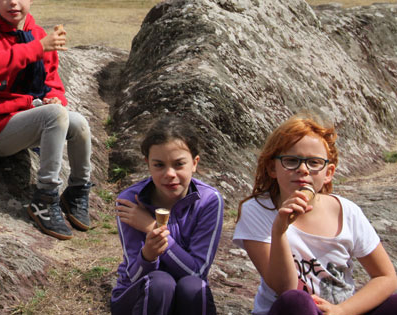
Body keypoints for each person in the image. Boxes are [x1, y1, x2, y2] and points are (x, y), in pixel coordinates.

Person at [0, 0, 93, 240]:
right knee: (54, 114)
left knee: (80, 123)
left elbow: (54, 84)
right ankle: (45, 199)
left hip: (27, 119)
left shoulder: (38, 34)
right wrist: (38, 47)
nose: (13, 2)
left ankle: (78, 190)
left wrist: (51, 98)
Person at [233, 115, 397, 315]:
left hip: (339, 310)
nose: (303, 170)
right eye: (291, 161)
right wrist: (279, 230)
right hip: (291, 310)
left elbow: (386, 277)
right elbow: (284, 288)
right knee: (296, 300)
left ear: (328, 172)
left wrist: (343, 310)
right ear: (272, 168)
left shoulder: (347, 211)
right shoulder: (257, 210)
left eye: (314, 163)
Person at [111, 116, 224, 315]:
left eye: (179, 164)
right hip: (139, 296)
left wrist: (153, 228)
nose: (169, 174)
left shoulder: (208, 200)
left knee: (193, 286)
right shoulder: (129, 201)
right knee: (161, 283)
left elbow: (197, 272)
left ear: (194, 163)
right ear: (148, 164)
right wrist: (148, 254)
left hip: (187, 295)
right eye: (159, 165)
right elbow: (133, 274)